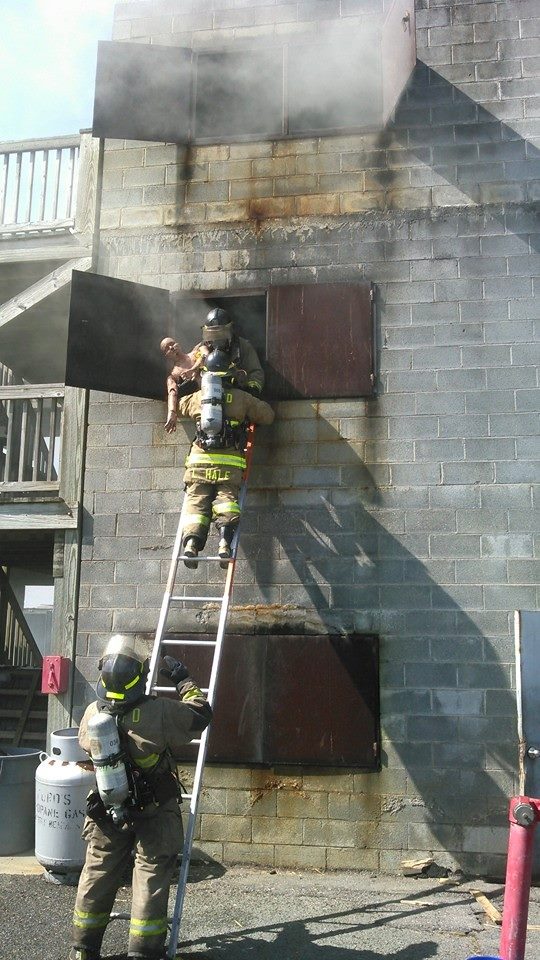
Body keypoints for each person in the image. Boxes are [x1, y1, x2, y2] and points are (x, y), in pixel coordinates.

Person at [70, 634, 212, 960]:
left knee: (97, 873)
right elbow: (201, 714)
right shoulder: (158, 712)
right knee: (149, 875)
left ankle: (83, 949)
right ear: (140, 678)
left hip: (107, 807)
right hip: (153, 810)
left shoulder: (93, 712)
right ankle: (144, 951)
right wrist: (183, 680)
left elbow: (83, 744)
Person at [178, 347, 274, 569]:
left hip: (198, 463)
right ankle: (224, 543)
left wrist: (188, 384)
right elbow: (268, 416)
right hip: (229, 463)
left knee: (196, 505)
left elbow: (180, 405)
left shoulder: (199, 397)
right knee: (226, 502)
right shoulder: (242, 398)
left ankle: (191, 545)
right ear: (231, 374)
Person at [161, 306, 265, 435]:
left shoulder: (243, 347)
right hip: (209, 400)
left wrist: (251, 390)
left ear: (230, 331)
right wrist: (172, 411)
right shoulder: (201, 348)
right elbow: (174, 390)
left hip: (235, 395)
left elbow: (256, 372)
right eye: (212, 334)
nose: (216, 338)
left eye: (220, 333)